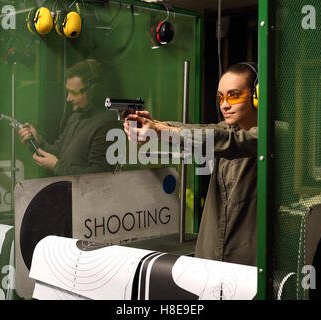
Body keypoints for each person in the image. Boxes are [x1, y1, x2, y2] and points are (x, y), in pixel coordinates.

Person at [124, 63, 258, 266]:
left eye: (234, 95)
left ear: (257, 97)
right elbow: (203, 131)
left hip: (246, 263)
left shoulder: (273, 134)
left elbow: (226, 141)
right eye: (221, 97)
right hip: (211, 257)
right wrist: (155, 124)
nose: (224, 105)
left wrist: (159, 130)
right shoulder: (228, 130)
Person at [18, 59, 121, 176]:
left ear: (94, 91)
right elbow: (58, 152)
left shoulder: (108, 124)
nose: (69, 98)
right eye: (68, 92)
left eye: (74, 93)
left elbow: (99, 176)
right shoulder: (76, 118)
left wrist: (56, 166)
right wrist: (36, 142)